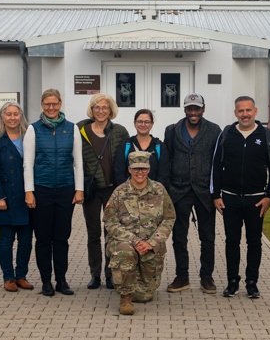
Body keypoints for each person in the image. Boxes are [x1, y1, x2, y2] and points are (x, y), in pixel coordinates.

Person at [211, 96, 270, 299]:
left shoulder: (266, 136)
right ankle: (232, 282)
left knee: (254, 241)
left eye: (248, 110)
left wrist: (269, 196)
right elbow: (215, 165)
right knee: (232, 241)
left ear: (255, 111)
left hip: (256, 199)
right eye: (241, 111)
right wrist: (215, 195)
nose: (245, 114)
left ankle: (252, 283)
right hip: (230, 198)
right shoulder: (226, 134)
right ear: (235, 113)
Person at [23, 88, 84, 297]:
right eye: (47, 104)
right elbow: (28, 163)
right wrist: (29, 191)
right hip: (42, 190)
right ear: (42, 105)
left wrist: (79, 189)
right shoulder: (33, 129)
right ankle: (46, 281)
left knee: (61, 238)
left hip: (65, 190)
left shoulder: (72, 128)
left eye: (55, 104)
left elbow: (78, 162)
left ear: (60, 104)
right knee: (43, 239)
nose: (51, 107)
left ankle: (61, 280)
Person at [104, 151, 176, 315]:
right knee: (125, 253)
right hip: (126, 243)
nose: (140, 172)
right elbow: (110, 221)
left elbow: (169, 218)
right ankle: (125, 298)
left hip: (150, 245)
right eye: (136, 168)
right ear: (129, 169)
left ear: (149, 169)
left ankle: (134, 284)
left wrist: (152, 243)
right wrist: (134, 241)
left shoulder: (159, 190)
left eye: (143, 168)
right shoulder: (119, 192)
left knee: (145, 295)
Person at [162, 93, 222, 294]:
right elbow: (167, 160)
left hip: (205, 191)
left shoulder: (214, 131)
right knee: (179, 237)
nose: (193, 112)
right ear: (185, 110)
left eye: (197, 108)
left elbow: (218, 163)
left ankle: (207, 277)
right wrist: (167, 189)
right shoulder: (171, 130)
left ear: (203, 109)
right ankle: (182, 276)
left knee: (208, 237)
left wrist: (216, 192)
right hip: (179, 191)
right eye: (190, 109)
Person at [77, 93, 129, 290]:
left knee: (112, 233)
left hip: (112, 190)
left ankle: (111, 275)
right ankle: (95, 275)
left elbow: (125, 160)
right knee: (93, 233)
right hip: (91, 190)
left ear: (111, 110)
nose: (101, 111)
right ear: (92, 110)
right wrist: (78, 189)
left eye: (105, 108)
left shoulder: (119, 131)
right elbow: (75, 160)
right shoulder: (80, 129)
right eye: (97, 107)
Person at [0, 101, 33, 292]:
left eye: (16, 114)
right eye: (8, 114)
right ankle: (8, 277)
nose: (12, 118)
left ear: (20, 116)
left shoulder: (28, 137)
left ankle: (21, 275)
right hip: (5, 196)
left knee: (26, 240)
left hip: (26, 195)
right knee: (6, 238)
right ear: (2, 117)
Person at [113, 108, 169, 186]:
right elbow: (119, 173)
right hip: (129, 195)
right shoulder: (126, 145)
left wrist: (155, 193)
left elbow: (163, 174)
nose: (143, 125)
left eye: (147, 122)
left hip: (153, 195)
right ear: (134, 123)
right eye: (140, 121)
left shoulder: (159, 147)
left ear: (152, 124)